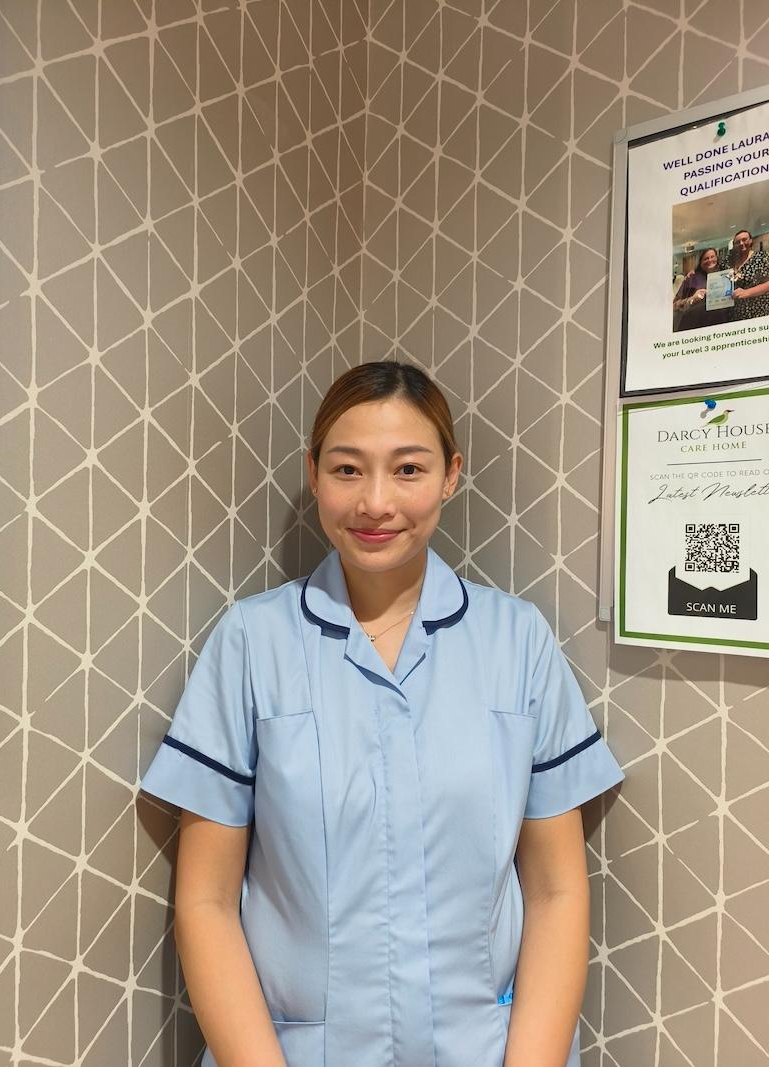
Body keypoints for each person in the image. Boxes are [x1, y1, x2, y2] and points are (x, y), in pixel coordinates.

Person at [140, 360, 624, 1067]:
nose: (375, 502)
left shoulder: (517, 642)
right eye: (346, 469)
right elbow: (207, 899)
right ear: (313, 474)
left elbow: (554, 888)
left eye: (407, 469)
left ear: (451, 475)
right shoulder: (252, 643)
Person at [672, 247, 731, 332]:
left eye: (712, 257)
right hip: (695, 324)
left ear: (717, 258)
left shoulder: (725, 276)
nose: (710, 260)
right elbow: (674, 306)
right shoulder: (692, 278)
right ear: (700, 262)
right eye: (706, 258)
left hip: (721, 323)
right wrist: (692, 299)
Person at [731, 228, 769, 319]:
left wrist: (747, 292)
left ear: (751, 241)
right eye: (737, 242)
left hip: (760, 311)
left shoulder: (763, 258)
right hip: (736, 315)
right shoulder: (729, 262)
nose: (741, 243)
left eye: (744, 240)